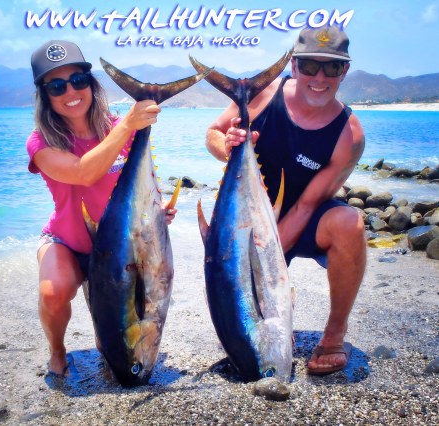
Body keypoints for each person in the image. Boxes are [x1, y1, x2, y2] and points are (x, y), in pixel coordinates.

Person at [205, 26, 366, 375]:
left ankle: (334, 336)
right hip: (245, 215)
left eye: (332, 67)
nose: (319, 78)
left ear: (345, 71)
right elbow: (213, 134)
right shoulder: (262, 94)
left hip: (302, 220)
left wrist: (262, 267)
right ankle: (275, 323)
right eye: (309, 66)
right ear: (294, 66)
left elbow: (307, 205)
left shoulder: (349, 134)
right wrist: (228, 146)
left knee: (349, 224)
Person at [27, 40, 176, 376]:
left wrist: (156, 212)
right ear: (44, 95)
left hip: (118, 247)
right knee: (53, 292)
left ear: (90, 83)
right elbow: (83, 173)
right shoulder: (40, 142)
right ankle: (57, 350)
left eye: (78, 80)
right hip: (68, 242)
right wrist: (128, 125)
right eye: (56, 86)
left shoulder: (119, 127)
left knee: (114, 348)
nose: (70, 91)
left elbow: (144, 182)